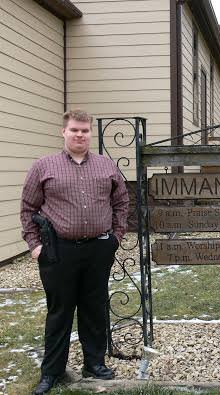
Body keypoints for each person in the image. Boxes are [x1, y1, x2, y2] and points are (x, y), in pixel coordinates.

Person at [20, 109, 129, 395]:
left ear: (90, 133)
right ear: (64, 132)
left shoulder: (106, 166)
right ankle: (52, 372)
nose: (80, 135)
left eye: (84, 131)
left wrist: (115, 238)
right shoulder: (43, 167)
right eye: (74, 130)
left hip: (98, 250)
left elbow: (122, 202)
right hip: (58, 252)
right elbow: (28, 209)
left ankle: (94, 364)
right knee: (60, 312)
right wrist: (35, 246)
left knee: (94, 309)